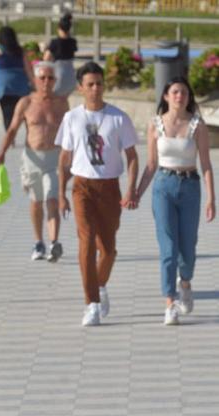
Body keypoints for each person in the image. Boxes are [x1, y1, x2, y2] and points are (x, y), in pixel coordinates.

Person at [57, 62, 139, 327]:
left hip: (110, 187)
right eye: (90, 84)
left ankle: (100, 285)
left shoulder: (118, 118)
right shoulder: (72, 118)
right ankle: (91, 303)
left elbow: (132, 156)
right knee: (86, 241)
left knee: (109, 249)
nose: (95, 89)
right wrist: (61, 193)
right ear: (80, 88)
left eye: (99, 83)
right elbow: (65, 157)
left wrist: (131, 188)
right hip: (82, 186)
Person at [135, 77, 215, 325]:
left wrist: (212, 198)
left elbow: (206, 164)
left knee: (188, 247)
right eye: (175, 92)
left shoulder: (197, 125)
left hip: (190, 186)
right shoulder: (155, 125)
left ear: (189, 97)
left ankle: (186, 282)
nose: (180, 96)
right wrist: (136, 193)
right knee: (168, 248)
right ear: (166, 96)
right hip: (163, 186)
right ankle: (170, 302)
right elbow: (150, 164)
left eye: (184, 92)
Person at [0, 61, 69, 261]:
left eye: (50, 78)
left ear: (55, 80)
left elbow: (70, 133)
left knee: (52, 199)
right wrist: (1, 153)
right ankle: (39, 242)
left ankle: (54, 243)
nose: (46, 82)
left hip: (54, 158)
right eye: (42, 77)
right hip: (32, 158)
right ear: (35, 79)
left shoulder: (62, 103)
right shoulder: (26, 102)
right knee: (36, 201)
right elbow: (12, 130)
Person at [0, 26, 34, 131]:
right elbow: (29, 70)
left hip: (4, 88)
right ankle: (30, 137)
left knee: (7, 115)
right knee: (25, 114)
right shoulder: (21, 52)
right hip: (21, 88)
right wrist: (33, 84)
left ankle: (10, 140)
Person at [43, 12, 78, 98]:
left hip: (59, 75)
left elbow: (46, 58)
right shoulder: (73, 42)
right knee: (63, 102)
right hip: (71, 75)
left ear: (59, 28)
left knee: (54, 101)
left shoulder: (55, 42)